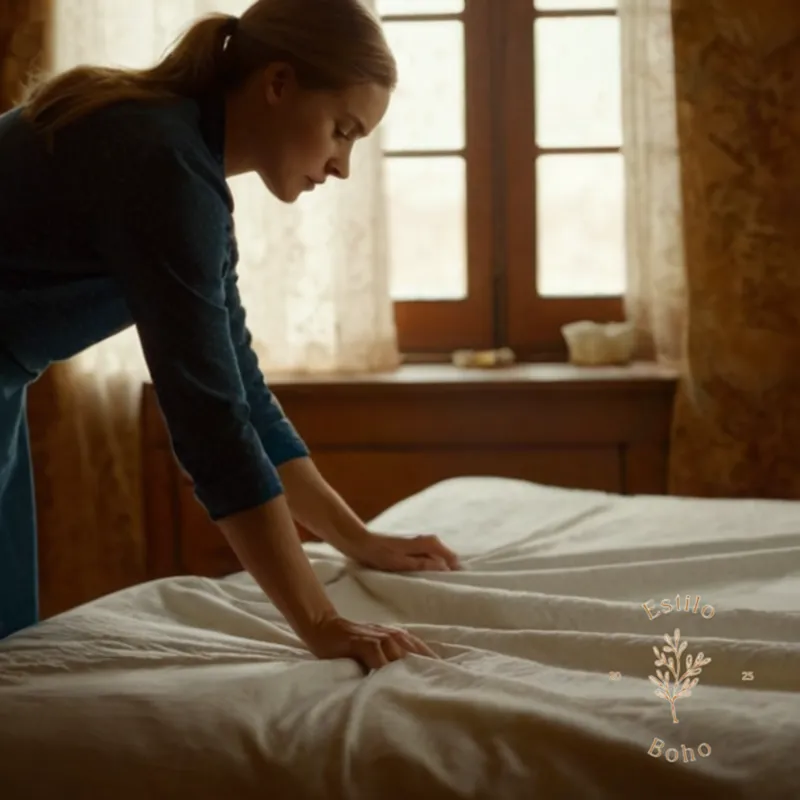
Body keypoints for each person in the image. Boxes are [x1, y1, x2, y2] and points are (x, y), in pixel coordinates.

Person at [0, 0, 460, 668]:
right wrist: (321, 623)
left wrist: (357, 539)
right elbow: (211, 423)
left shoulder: (185, 167)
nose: (342, 166)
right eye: (342, 130)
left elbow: (240, 392)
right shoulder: (164, 165)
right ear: (278, 84)